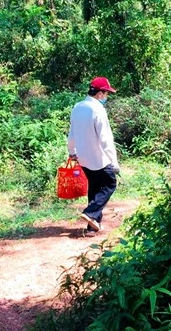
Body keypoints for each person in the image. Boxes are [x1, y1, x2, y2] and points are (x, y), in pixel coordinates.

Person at [67, 77, 120, 236]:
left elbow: (72, 133)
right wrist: (114, 162)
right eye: (106, 93)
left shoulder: (78, 107)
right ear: (100, 93)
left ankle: (92, 226)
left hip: (83, 157)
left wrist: (72, 152)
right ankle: (90, 213)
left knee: (95, 187)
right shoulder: (97, 109)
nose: (107, 97)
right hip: (99, 158)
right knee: (110, 183)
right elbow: (105, 139)